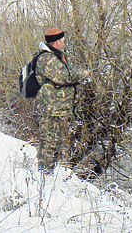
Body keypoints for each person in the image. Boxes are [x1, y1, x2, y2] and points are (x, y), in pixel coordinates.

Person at [32, 28, 90, 174]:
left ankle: (48, 174)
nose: (64, 44)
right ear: (57, 42)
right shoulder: (47, 58)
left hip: (55, 109)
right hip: (48, 109)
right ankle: (42, 176)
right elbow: (63, 77)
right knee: (49, 143)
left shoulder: (55, 56)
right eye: (63, 41)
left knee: (55, 143)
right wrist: (81, 74)